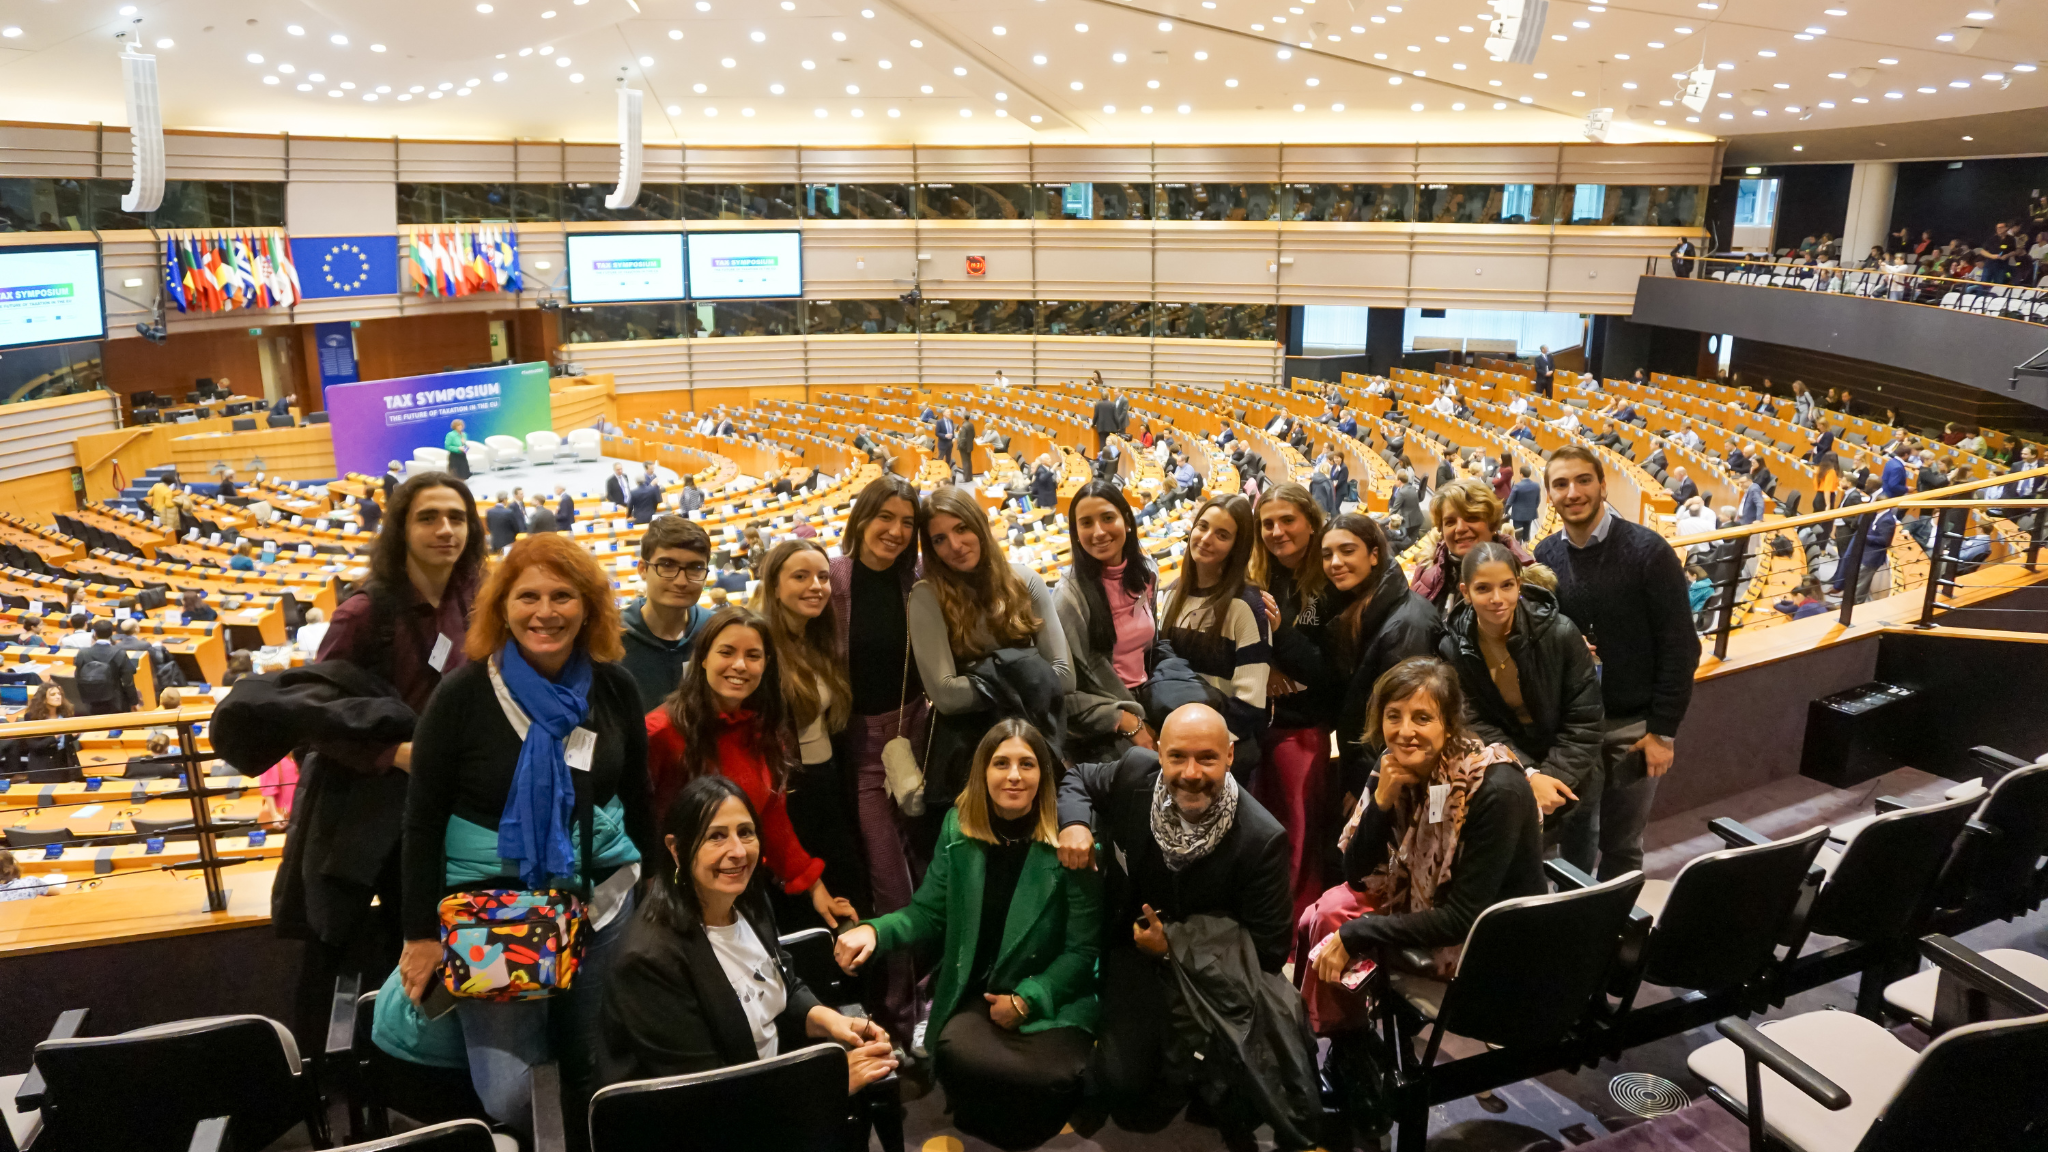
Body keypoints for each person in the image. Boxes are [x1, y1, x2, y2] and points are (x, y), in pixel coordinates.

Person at [396, 533, 655, 1134]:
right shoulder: (461, 694)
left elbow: (638, 796)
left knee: (599, 1068)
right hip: (497, 917)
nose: (546, 612)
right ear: (502, 607)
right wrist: (420, 936)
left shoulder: (614, 687)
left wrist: (657, 897)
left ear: (589, 606)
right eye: (528, 596)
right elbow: (422, 820)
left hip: (601, 901)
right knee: (513, 1097)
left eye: (563, 596)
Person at [836, 721, 1101, 1151]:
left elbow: (1082, 950)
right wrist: (874, 930)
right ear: (983, 772)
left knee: (1052, 1078)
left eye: (1026, 764)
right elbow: (928, 914)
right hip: (980, 991)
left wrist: (1028, 999)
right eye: (1001, 763)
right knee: (958, 1054)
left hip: (1053, 994)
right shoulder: (958, 828)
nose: (1014, 775)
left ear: (1043, 776)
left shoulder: (1073, 844)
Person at [1053, 703, 1294, 1136]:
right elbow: (1078, 779)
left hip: (1211, 977)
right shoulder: (1133, 774)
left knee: (1239, 1102)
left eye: (1207, 757)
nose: (1191, 772)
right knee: (1127, 1094)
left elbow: (1271, 949)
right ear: (1159, 752)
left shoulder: (1262, 838)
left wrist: (1178, 945)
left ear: (1230, 757)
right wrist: (1075, 824)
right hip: (1134, 956)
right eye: (1178, 756)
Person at [306, 473, 488, 1034]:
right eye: (429, 517)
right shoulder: (364, 613)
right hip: (368, 813)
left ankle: (415, 1058)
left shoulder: (472, 596)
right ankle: (327, 1083)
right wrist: (394, 754)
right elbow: (313, 717)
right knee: (344, 952)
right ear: (401, 528)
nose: (445, 530)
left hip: (440, 809)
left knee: (431, 941)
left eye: (457, 518)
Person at [594, 775, 897, 1095]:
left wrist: (828, 1020)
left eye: (746, 832)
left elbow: (779, 982)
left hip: (766, 1084)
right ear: (676, 849)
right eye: (716, 837)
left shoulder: (746, 898)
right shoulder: (648, 960)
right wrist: (823, 1084)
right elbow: (705, 1093)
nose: (737, 851)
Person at [1296, 657, 1545, 1034]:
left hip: (1487, 943)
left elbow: (1463, 919)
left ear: (1449, 723)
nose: (1405, 731)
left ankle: (1340, 1037)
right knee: (1324, 913)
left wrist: (1358, 933)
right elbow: (1356, 874)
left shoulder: (1495, 790)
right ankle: (1338, 1035)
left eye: (1422, 718)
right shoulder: (1393, 765)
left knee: (1339, 926)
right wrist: (1380, 804)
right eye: (1393, 716)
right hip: (1422, 903)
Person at [1535, 446, 1700, 881]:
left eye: (1583, 480)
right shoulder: (1545, 555)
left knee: (1623, 846)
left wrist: (1663, 731)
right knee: (1573, 838)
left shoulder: (1649, 551)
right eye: (1561, 484)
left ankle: (1612, 935)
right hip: (1575, 729)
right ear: (1549, 495)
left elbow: (1681, 647)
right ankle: (1577, 928)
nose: (1573, 492)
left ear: (1603, 485)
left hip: (1635, 728)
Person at [645, 604, 855, 933]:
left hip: (741, 894)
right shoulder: (661, 732)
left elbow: (771, 817)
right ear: (703, 657)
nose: (740, 665)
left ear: (766, 664)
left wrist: (815, 888)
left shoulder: (762, 730)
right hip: (678, 905)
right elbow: (638, 822)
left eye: (753, 655)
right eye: (726, 652)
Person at [830, 474, 930, 1045]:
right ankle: (897, 1014)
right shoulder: (835, 578)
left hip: (919, 737)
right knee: (892, 887)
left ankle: (925, 994)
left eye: (906, 522)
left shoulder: (915, 579)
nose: (894, 531)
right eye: (884, 517)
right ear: (862, 517)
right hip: (865, 748)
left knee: (926, 872)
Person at [910, 486, 1075, 812]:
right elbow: (946, 696)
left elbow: (1065, 677)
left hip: (1034, 744)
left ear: (980, 525)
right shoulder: (927, 596)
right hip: (967, 757)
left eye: (962, 528)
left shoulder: (1026, 581)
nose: (955, 546)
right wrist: (1028, 669)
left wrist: (985, 676)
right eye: (939, 539)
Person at [1436, 542, 1601, 824]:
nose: (1497, 598)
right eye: (1483, 588)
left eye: (1506, 585)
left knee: (1576, 856)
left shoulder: (1560, 633)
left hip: (1572, 770)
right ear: (1465, 592)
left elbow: (1584, 720)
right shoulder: (1452, 648)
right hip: (1508, 774)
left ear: (1519, 585)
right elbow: (1473, 722)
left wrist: (1549, 777)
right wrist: (1528, 774)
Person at [748, 540, 867, 921]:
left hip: (827, 788)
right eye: (800, 576)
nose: (815, 585)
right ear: (774, 585)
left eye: (821, 576)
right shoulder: (760, 648)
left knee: (849, 897)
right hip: (789, 797)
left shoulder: (818, 639)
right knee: (804, 910)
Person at [1160, 495, 1269, 780]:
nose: (1206, 539)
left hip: (1219, 760)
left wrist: (1202, 752)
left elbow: (1250, 705)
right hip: (1176, 752)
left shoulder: (1246, 605)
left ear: (1237, 546)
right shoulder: (1172, 593)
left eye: (1222, 535)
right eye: (1203, 527)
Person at [1055, 481, 1163, 766]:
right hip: (1102, 720)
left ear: (1127, 521)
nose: (1099, 532)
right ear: (1076, 533)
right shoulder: (1069, 599)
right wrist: (1124, 719)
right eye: (1086, 523)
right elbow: (1062, 695)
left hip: (1147, 699)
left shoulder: (1147, 573)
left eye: (1107, 518)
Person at [619, 515, 714, 711]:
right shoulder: (610, 636)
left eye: (695, 568)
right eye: (667, 565)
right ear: (643, 569)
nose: (681, 581)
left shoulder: (716, 632)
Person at [1411, 477, 1535, 613]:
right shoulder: (1424, 571)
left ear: (1492, 524)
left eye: (1472, 518)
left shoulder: (1527, 579)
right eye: (1450, 522)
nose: (1460, 528)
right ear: (1441, 530)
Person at [0, 683, 81, 783]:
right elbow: (34, 746)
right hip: (44, 768)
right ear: (43, 699)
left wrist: (73, 736)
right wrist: (54, 737)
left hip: (66, 764)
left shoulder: (65, 713)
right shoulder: (32, 717)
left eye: (59, 694)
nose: (58, 696)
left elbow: (65, 742)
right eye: (53, 694)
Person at [73, 618, 138, 715]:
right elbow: (128, 682)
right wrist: (134, 702)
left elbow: (78, 677)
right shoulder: (119, 653)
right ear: (112, 633)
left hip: (91, 702)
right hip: (115, 703)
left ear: (94, 634)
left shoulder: (82, 653)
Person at [1505, 464, 1541, 541]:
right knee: (1527, 535)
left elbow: (1509, 501)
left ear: (1521, 474)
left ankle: (1519, 550)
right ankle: (1526, 549)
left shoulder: (1517, 486)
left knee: (1518, 536)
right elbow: (1538, 501)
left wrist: (1505, 511)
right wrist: (1532, 509)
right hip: (1530, 514)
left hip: (1518, 516)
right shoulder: (1536, 485)